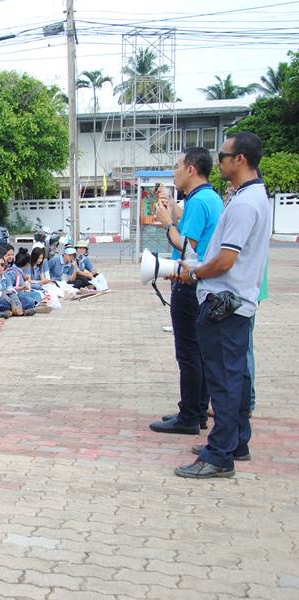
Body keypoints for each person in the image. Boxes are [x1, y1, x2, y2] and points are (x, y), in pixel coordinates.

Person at [170, 132, 271, 479]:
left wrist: (196, 272)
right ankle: (236, 441)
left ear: (240, 159)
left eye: (224, 156)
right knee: (235, 377)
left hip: (224, 304)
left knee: (224, 382)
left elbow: (226, 259)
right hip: (237, 303)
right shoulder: (252, 196)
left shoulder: (244, 203)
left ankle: (219, 455)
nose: (220, 162)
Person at [149, 147, 225, 436]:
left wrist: (167, 222)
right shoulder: (211, 198)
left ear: (191, 169)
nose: (174, 172)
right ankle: (197, 410)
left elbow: (185, 246)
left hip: (189, 282)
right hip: (202, 282)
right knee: (198, 351)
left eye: (177, 167)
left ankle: (189, 416)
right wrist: (172, 210)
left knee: (188, 352)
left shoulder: (198, 200)